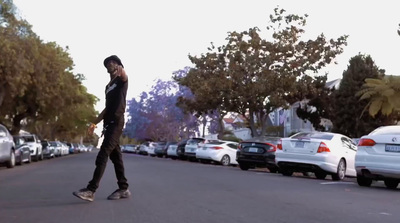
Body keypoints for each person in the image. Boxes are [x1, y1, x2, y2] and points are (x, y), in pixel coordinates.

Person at [73, 55, 130, 202]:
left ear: (118, 65)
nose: (110, 64)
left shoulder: (121, 80)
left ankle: (91, 190)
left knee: (103, 154)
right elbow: (106, 108)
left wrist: (120, 69)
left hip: (117, 122)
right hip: (108, 123)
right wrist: (94, 123)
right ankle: (123, 188)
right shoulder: (108, 87)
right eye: (108, 63)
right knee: (116, 157)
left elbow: (125, 75)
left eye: (113, 62)